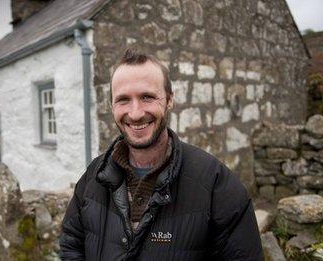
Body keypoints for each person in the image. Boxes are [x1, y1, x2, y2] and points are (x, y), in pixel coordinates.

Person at [60, 49, 263, 260]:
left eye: (147, 97)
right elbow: (71, 245)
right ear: (111, 106)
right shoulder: (94, 176)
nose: (136, 113)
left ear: (169, 100)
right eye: (123, 100)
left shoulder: (216, 184)